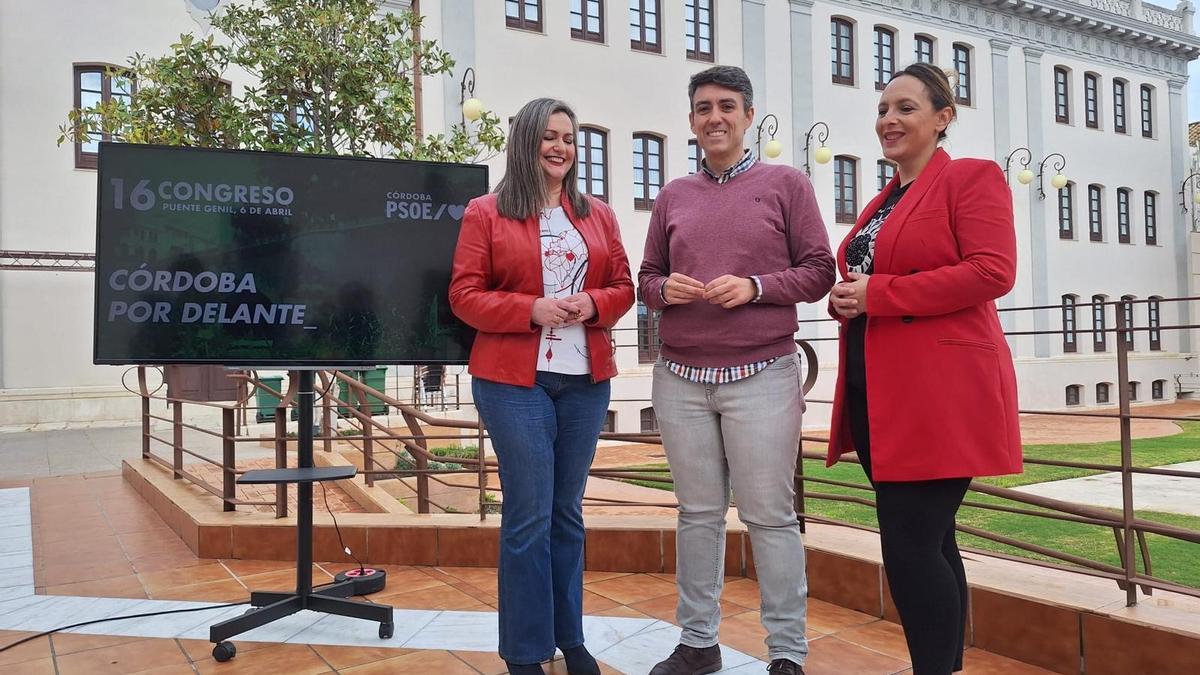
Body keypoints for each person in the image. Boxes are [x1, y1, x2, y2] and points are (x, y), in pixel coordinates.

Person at [826, 62, 1022, 674]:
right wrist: (849, 296)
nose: (888, 120)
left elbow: (994, 271)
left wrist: (879, 295)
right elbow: (879, 278)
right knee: (931, 542)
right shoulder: (884, 199)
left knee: (909, 547)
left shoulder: (971, 179)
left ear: (944, 119)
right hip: (882, 393)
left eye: (906, 108)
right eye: (883, 109)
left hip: (940, 396)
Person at [639, 65, 835, 675]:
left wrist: (754, 287)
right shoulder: (673, 195)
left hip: (763, 376)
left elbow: (819, 271)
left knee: (770, 517)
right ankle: (697, 644)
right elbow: (645, 280)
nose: (714, 117)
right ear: (692, 120)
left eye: (727, 106)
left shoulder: (787, 184)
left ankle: (786, 654)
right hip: (680, 379)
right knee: (696, 515)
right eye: (703, 107)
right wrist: (666, 288)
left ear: (749, 116)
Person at [449, 98, 634, 675]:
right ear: (526, 143)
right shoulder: (486, 211)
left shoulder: (598, 215)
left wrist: (593, 302)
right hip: (512, 381)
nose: (560, 148)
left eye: (569, 139)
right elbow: (464, 295)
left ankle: (569, 637)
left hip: (585, 382)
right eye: (548, 137)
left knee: (567, 514)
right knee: (528, 513)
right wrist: (530, 307)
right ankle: (525, 652)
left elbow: (624, 286)